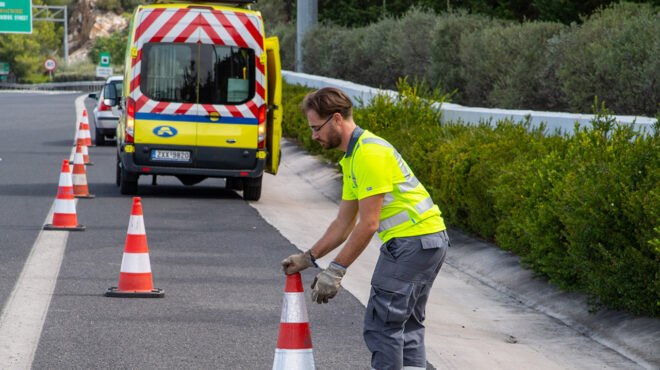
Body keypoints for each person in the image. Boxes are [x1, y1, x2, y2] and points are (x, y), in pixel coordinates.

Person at [281, 87, 449, 370]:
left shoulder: (369, 154)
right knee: (406, 326)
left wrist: (335, 270)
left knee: (383, 325)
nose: (313, 136)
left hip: (411, 244)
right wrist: (308, 257)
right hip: (428, 242)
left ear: (336, 119)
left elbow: (368, 224)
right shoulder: (353, 157)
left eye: (316, 128)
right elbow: (343, 223)